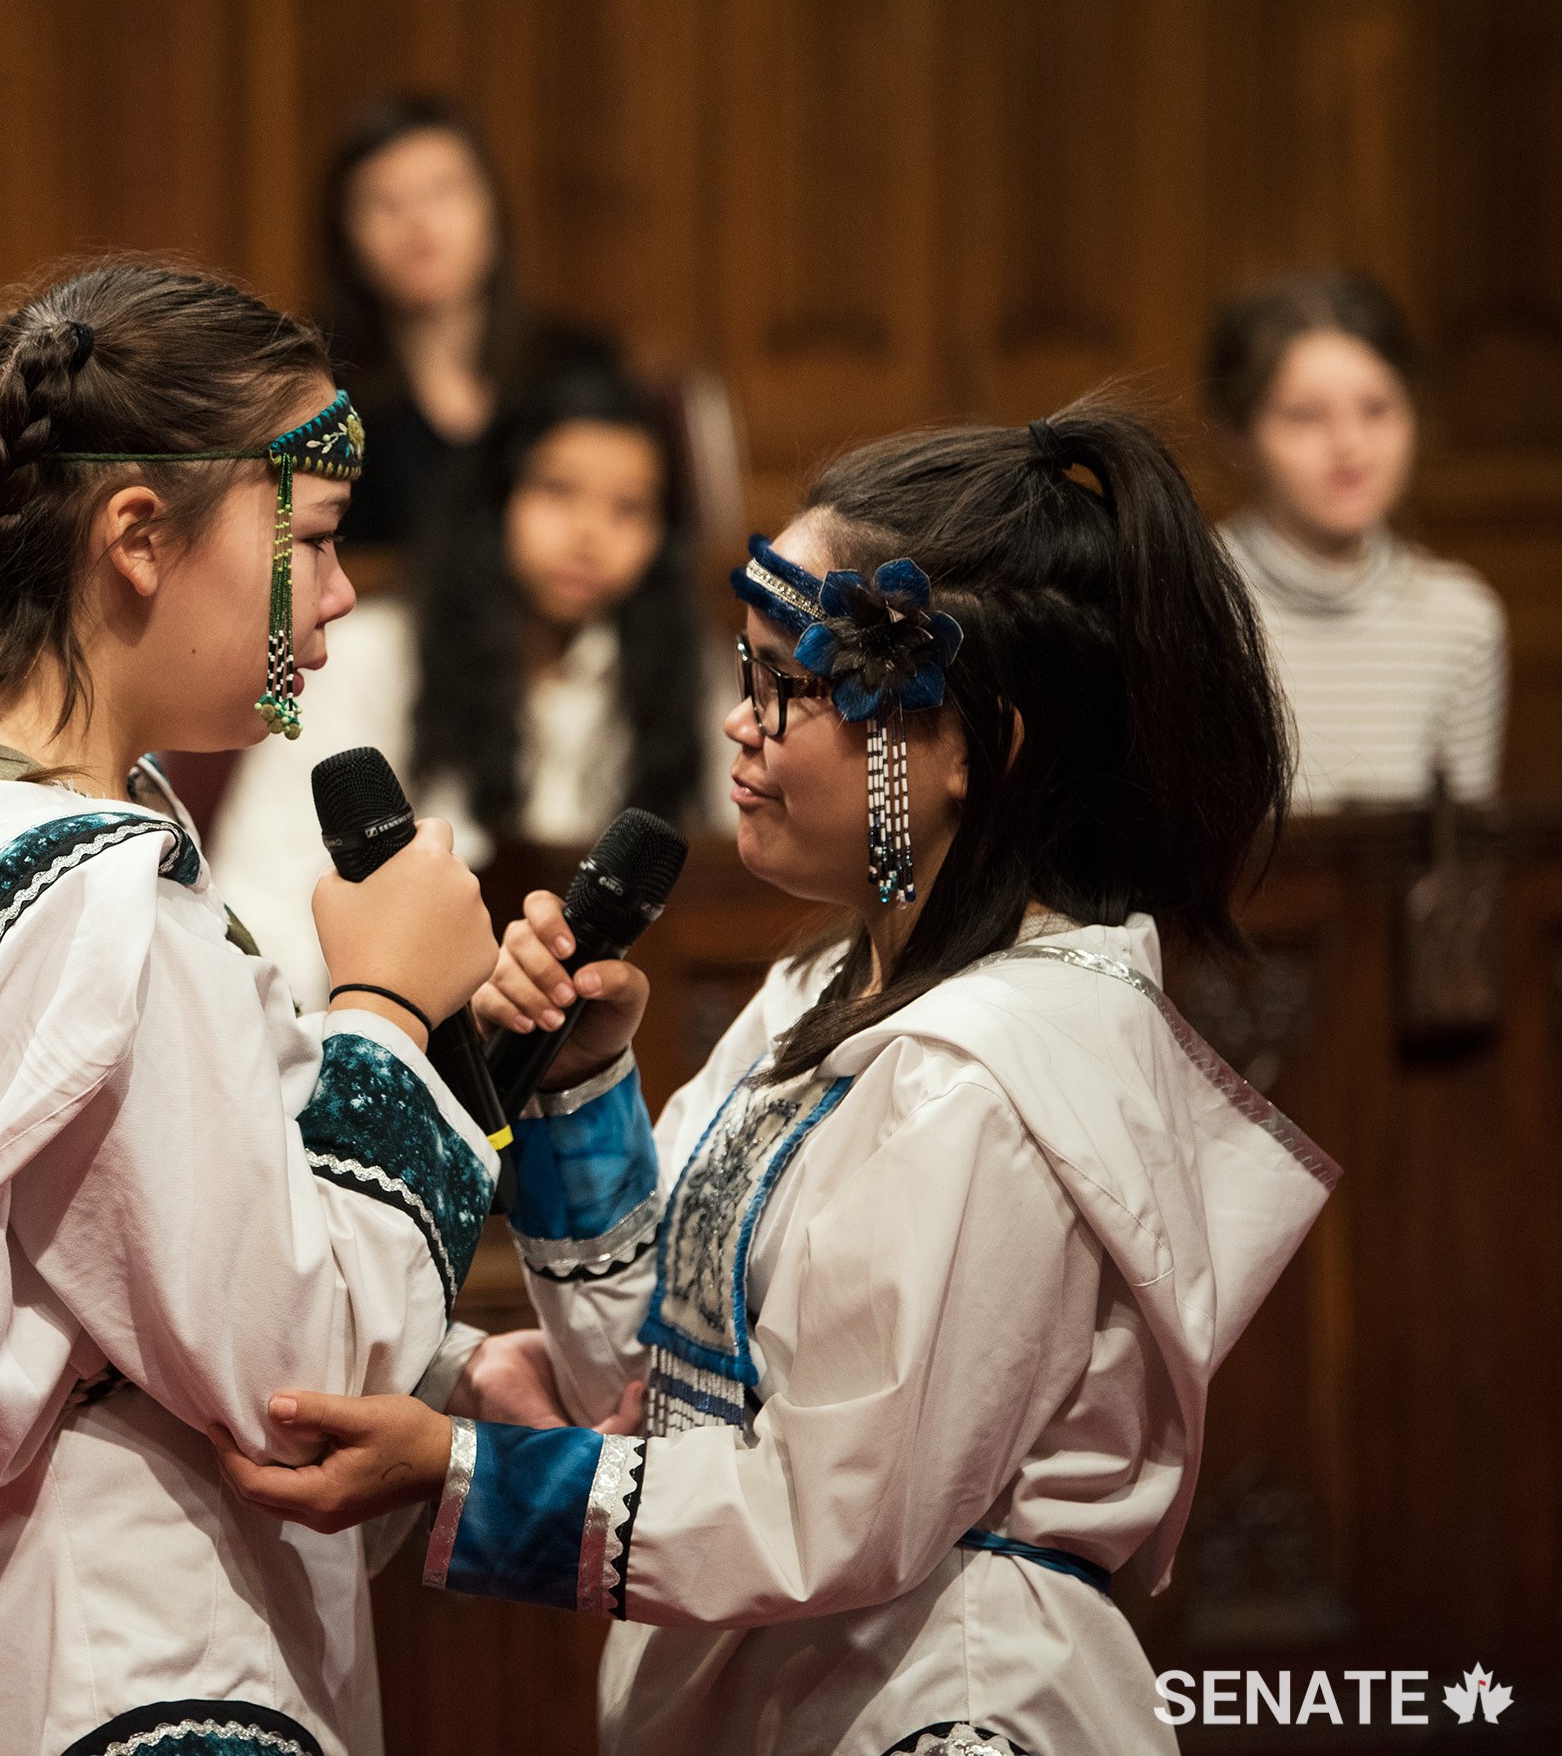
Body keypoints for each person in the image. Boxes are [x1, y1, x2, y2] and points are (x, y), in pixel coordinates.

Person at [214, 405, 1337, 1754]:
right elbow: (648, 1382)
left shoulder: (994, 1071)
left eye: (784, 689)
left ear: (978, 742)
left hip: (941, 1699)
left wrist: (458, 1470)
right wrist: (579, 1089)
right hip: (787, 1684)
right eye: (744, 677)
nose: (736, 729)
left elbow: (826, 1508)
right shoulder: (823, 989)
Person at [0, 262, 509, 1756]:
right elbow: (298, 1372)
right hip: (159, 1644)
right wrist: (387, 1009)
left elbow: (148, 1278)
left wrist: (466, 1380)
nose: (338, 597)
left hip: (13, 1627)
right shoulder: (92, 913)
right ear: (138, 533)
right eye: (311, 542)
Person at [209, 359, 732, 999]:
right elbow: (265, 897)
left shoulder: (688, 681)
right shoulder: (374, 657)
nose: (590, 533)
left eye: (629, 508)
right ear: (496, 499)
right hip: (381, 1026)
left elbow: (727, 907)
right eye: (558, 491)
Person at [1207, 268, 1507, 809]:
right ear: (1241, 435)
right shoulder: (1188, 597)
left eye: (1377, 410)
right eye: (1305, 417)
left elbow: (1457, 862)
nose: (1350, 445)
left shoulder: (1460, 620)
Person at [318, 93, 620, 551]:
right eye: (386, 202)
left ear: (492, 211)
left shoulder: (579, 368)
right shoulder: (319, 383)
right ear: (347, 238)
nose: (419, 222)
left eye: (443, 191)